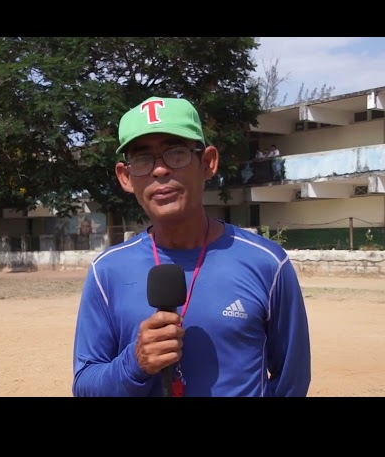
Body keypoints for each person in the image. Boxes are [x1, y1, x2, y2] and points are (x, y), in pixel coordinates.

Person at [72, 96, 311, 397]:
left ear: (208, 163)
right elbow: (84, 386)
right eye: (143, 159)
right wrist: (133, 364)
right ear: (126, 176)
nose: (160, 171)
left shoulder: (267, 264)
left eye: (176, 153)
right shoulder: (105, 272)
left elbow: (292, 380)